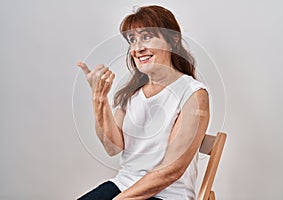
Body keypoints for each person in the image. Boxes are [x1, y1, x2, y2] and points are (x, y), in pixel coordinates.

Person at [76, 5, 210, 200]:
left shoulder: (193, 93)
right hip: (122, 184)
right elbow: (112, 147)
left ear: (172, 40)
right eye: (132, 40)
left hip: (168, 195)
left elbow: (172, 171)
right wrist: (99, 98)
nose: (137, 48)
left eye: (146, 37)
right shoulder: (131, 94)